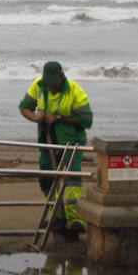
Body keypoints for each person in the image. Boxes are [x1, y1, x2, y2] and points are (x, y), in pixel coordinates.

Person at [18, 60, 93, 237]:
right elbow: (24, 108)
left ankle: (76, 219)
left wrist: (59, 117)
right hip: (47, 139)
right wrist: (35, 117)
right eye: (48, 83)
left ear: (61, 77)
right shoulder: (38, 86)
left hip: (71, 140)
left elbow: (86, 120)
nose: (50, 86)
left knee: (72, 178)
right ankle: (58, 215)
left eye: (53, 83)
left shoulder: (75, 91)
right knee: (46, 177)